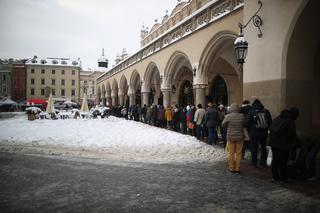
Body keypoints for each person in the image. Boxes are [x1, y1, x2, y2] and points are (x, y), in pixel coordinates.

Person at [269, 108, 299, 183]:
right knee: (283, 161)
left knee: (275, 160)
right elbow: (291, 134)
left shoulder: (278, 118)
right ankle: (283, 178)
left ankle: (275, 177)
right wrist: (293, 143)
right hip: (283, 144)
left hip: (273, 142)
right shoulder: (290, 121)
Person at [246, 99, 272, 168]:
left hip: (254, 132)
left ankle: (254, 162)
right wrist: (266, 129)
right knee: (263, 147)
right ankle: (263, 162)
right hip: (264, 133)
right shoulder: (266, 111)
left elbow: (248, 123)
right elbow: (270, 122)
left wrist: (250, 130)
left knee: (254, 147)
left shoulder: (251, 111)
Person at [222, 103, 245, 173]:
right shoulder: (242, 116)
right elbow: (244, 124)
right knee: (239, 153)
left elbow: (223, 124)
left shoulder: (228, 116)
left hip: (230, 137)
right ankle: (238, 168)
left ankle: (231, 167)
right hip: (240, 137)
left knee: (230, 153)